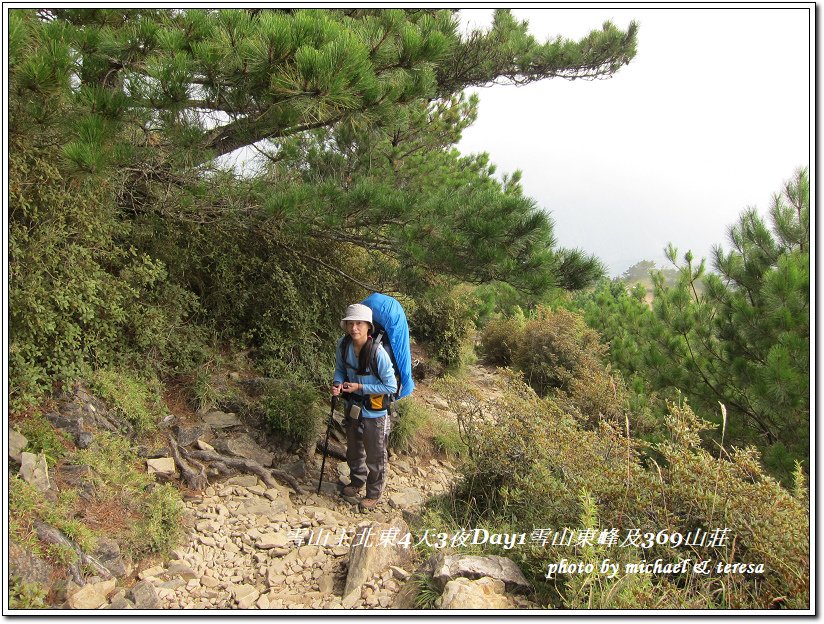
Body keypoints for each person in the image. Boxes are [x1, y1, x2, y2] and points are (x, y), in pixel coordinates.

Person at [331, 303, 397, 510]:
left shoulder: (378, 353)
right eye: (350, 323)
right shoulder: (343, 345)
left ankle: (373, 493)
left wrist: (360, 386)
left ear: (368, 326)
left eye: (359, 323)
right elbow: (340, 370)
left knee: (375, 454)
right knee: (353, 449)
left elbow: (390, 385)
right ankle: (357, 481)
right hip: (353, 406)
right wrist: (337, 383)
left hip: (375, 411)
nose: (354, 328)